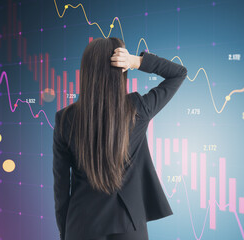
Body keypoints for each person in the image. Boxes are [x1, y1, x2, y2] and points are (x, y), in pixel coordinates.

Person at [53, 37, 188, 240]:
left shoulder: (65, 118)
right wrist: (138, 62)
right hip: (128, 224)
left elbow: (61, 186)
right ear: (120, 71)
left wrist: (65, 232)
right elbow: (178, 73)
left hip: (80, 225)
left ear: (87, 72)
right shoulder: (137, 109)